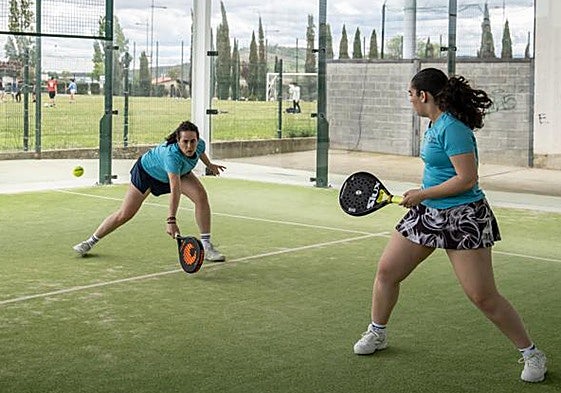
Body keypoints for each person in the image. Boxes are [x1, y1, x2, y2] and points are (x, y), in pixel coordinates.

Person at [352, 68, 547, 383]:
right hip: (427, 213)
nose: (410, 100)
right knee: (387, 272)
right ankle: (378, 332)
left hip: (464, 217)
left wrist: (422, 194)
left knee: (482, 295)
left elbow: (467, 179)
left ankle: (532, 354)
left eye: (410, 94)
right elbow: (441, 172)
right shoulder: (433, 124)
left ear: (423, 95)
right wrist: (423, 198)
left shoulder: (452, 129)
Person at [73, 120, 227, 262]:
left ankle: (206, 246)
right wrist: (171, 220)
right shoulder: (171, 156)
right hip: (147, 173)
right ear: (177, 141)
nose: (189, 146)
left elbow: (200, 153)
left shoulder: (199, 145)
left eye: (192, 141)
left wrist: (210, 165)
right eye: (184, 142)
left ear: (197, 140)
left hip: (177, 173)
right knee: (125, 214)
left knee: (201, 196)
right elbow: (175, 189)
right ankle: (90, 242)